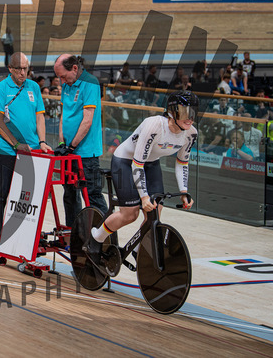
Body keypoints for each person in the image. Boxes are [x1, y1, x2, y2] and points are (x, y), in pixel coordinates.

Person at [86, 91, 198, 276]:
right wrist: (144, 196)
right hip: (126, 161)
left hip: (150, 163)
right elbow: (137, 164)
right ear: (172, 112)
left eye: (193, 112)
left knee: (155, 211)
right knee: (130, 214)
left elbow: (182, 162)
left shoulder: (191, 133)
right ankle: (96, 238)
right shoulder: (154, 125)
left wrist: (184, 191)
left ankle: (138, 250)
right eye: (185, 112)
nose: (190, 118)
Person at [0, 52, 54, 249]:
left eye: (26, 69)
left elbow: (40, 116)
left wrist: (42, 141)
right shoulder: (1, 88)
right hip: (7, 151)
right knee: (0, 194)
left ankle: (26, 236)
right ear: (10, 69)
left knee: (28, 198)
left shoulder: (33, 87)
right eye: (19, 69)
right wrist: (15, 144)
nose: (23, 73)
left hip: (31, 151)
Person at [53, 54, 108, 227]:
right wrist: (62, 143)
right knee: (69, 195)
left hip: (86, 154)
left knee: (92, 196)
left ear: (75, 68)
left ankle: (105, 236)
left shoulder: (90, 83)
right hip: (68, 152)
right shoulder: (67, 85)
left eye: (63, 76)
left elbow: (87, 121)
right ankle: (73, 232)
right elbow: (64, 116)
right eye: (59, 77)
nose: (62, 81)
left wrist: (72, 146)